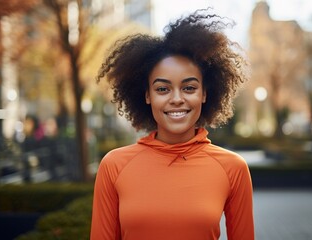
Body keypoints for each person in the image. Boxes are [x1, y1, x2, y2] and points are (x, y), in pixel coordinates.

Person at [91, 9, 254, 240]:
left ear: (205, 94)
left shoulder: (233, 168)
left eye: (189, 87)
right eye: (162, 89)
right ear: (147, 95)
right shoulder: (114, 166)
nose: (177, 98)